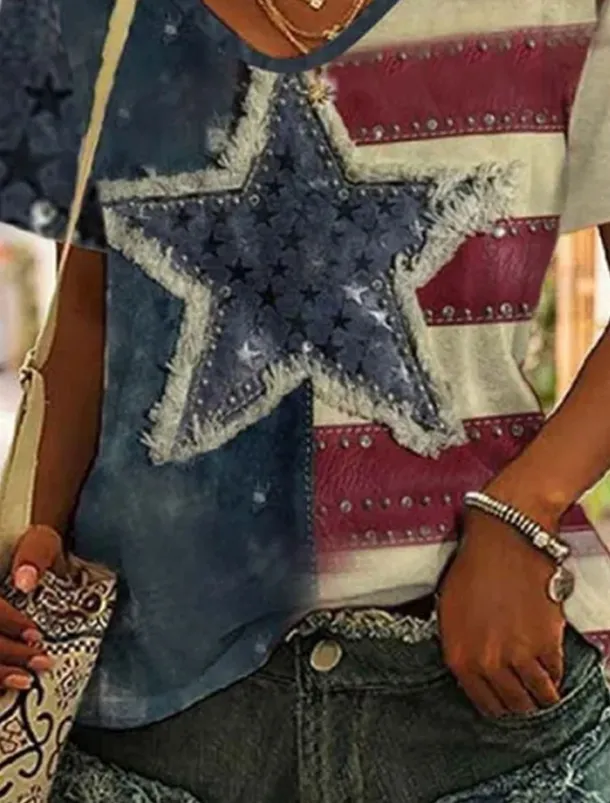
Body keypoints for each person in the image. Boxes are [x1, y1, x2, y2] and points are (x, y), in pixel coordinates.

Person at [1, 0, 610, 800]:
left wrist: (525, 509)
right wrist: (24, 567)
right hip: (147, 724)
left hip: (480, 713)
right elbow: (90, 313)